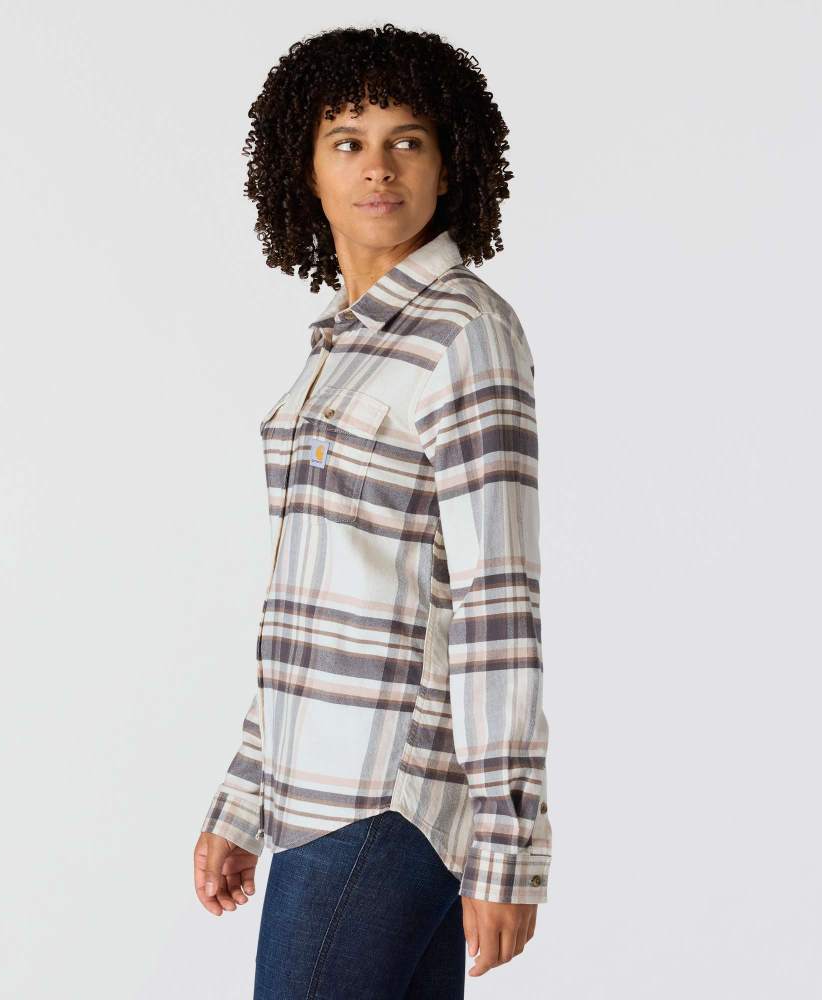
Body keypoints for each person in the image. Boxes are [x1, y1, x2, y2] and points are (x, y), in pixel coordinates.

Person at [192, 24, 553, 998]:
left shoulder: (464, 334)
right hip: (314, 786)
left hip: (387, 793)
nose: (378, 166)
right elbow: (317, 597)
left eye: (408, 140)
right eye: (348, 140)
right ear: (305, 167)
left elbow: (497, 601)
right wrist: (245, 792)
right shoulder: (341, 347)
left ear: (449, 163)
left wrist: (510, 845)